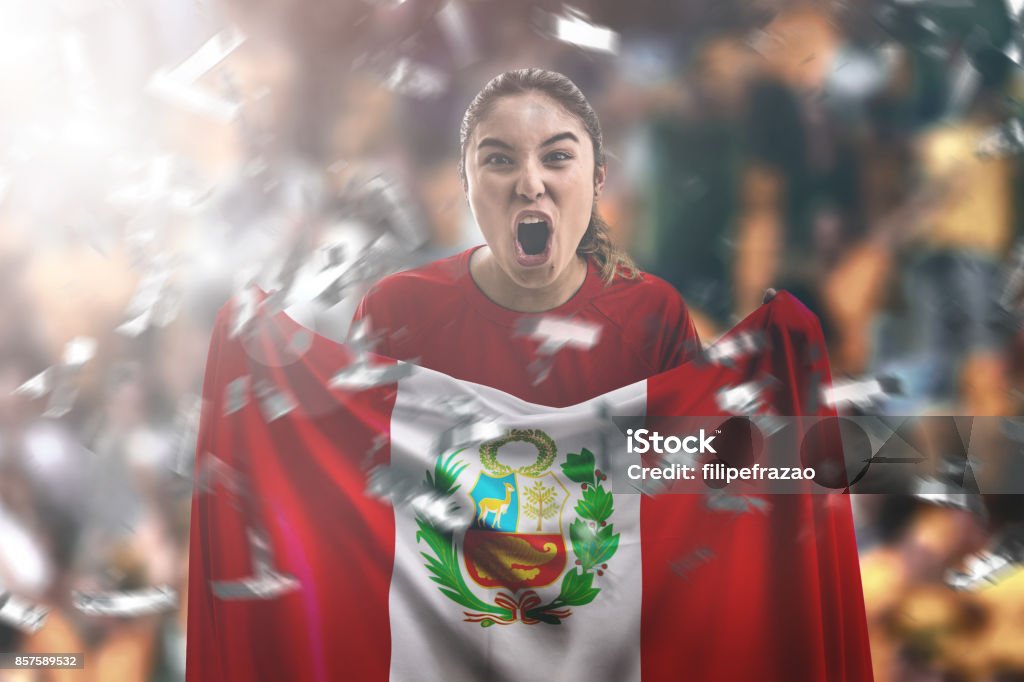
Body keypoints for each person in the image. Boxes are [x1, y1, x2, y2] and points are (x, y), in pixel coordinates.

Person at [353, 68, 701, 407]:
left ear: (598, 178)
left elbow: (697, 458)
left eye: (557, 156)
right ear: (465, 182)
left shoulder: (652, 317)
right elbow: (349, 453)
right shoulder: (395, 312)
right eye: (500, 159)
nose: (531, 184)